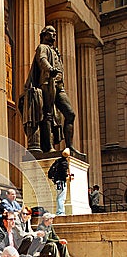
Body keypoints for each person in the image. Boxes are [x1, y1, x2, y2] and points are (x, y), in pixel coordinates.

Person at [20, 25, 84, 155]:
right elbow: (42, 59)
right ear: (44, 35)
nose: (54, 35)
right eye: (51, 33)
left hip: (59, 86)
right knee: (47, 114)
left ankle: (70, 146)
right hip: (48, 83)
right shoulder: (42, 47)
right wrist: (50, 69)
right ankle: (48, 147)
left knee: (70, 114)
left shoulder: (54, 50)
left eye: (55, 33)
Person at [49, 148, 72, 216]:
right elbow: (64, 174)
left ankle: (60, 211)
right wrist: (68, 177)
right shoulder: (64, 163)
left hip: (56, 181)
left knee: (59, 196)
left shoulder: (57, 161)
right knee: (61, 197)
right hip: (61, 182)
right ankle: (60, 212)